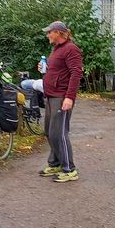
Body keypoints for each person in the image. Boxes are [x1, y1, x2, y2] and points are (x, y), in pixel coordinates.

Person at [38, 21, 83, 183]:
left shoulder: (71, 49)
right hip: (51, 95)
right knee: (49, 132)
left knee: (59, 133)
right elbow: (57, 70)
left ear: (58, 32)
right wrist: (44, 69)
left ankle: (69, 169)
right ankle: (56, 163)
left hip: (62, 97)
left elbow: (76, 73)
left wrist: (69, 97)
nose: (48, 35)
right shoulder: (56, 49)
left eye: (49, 32)